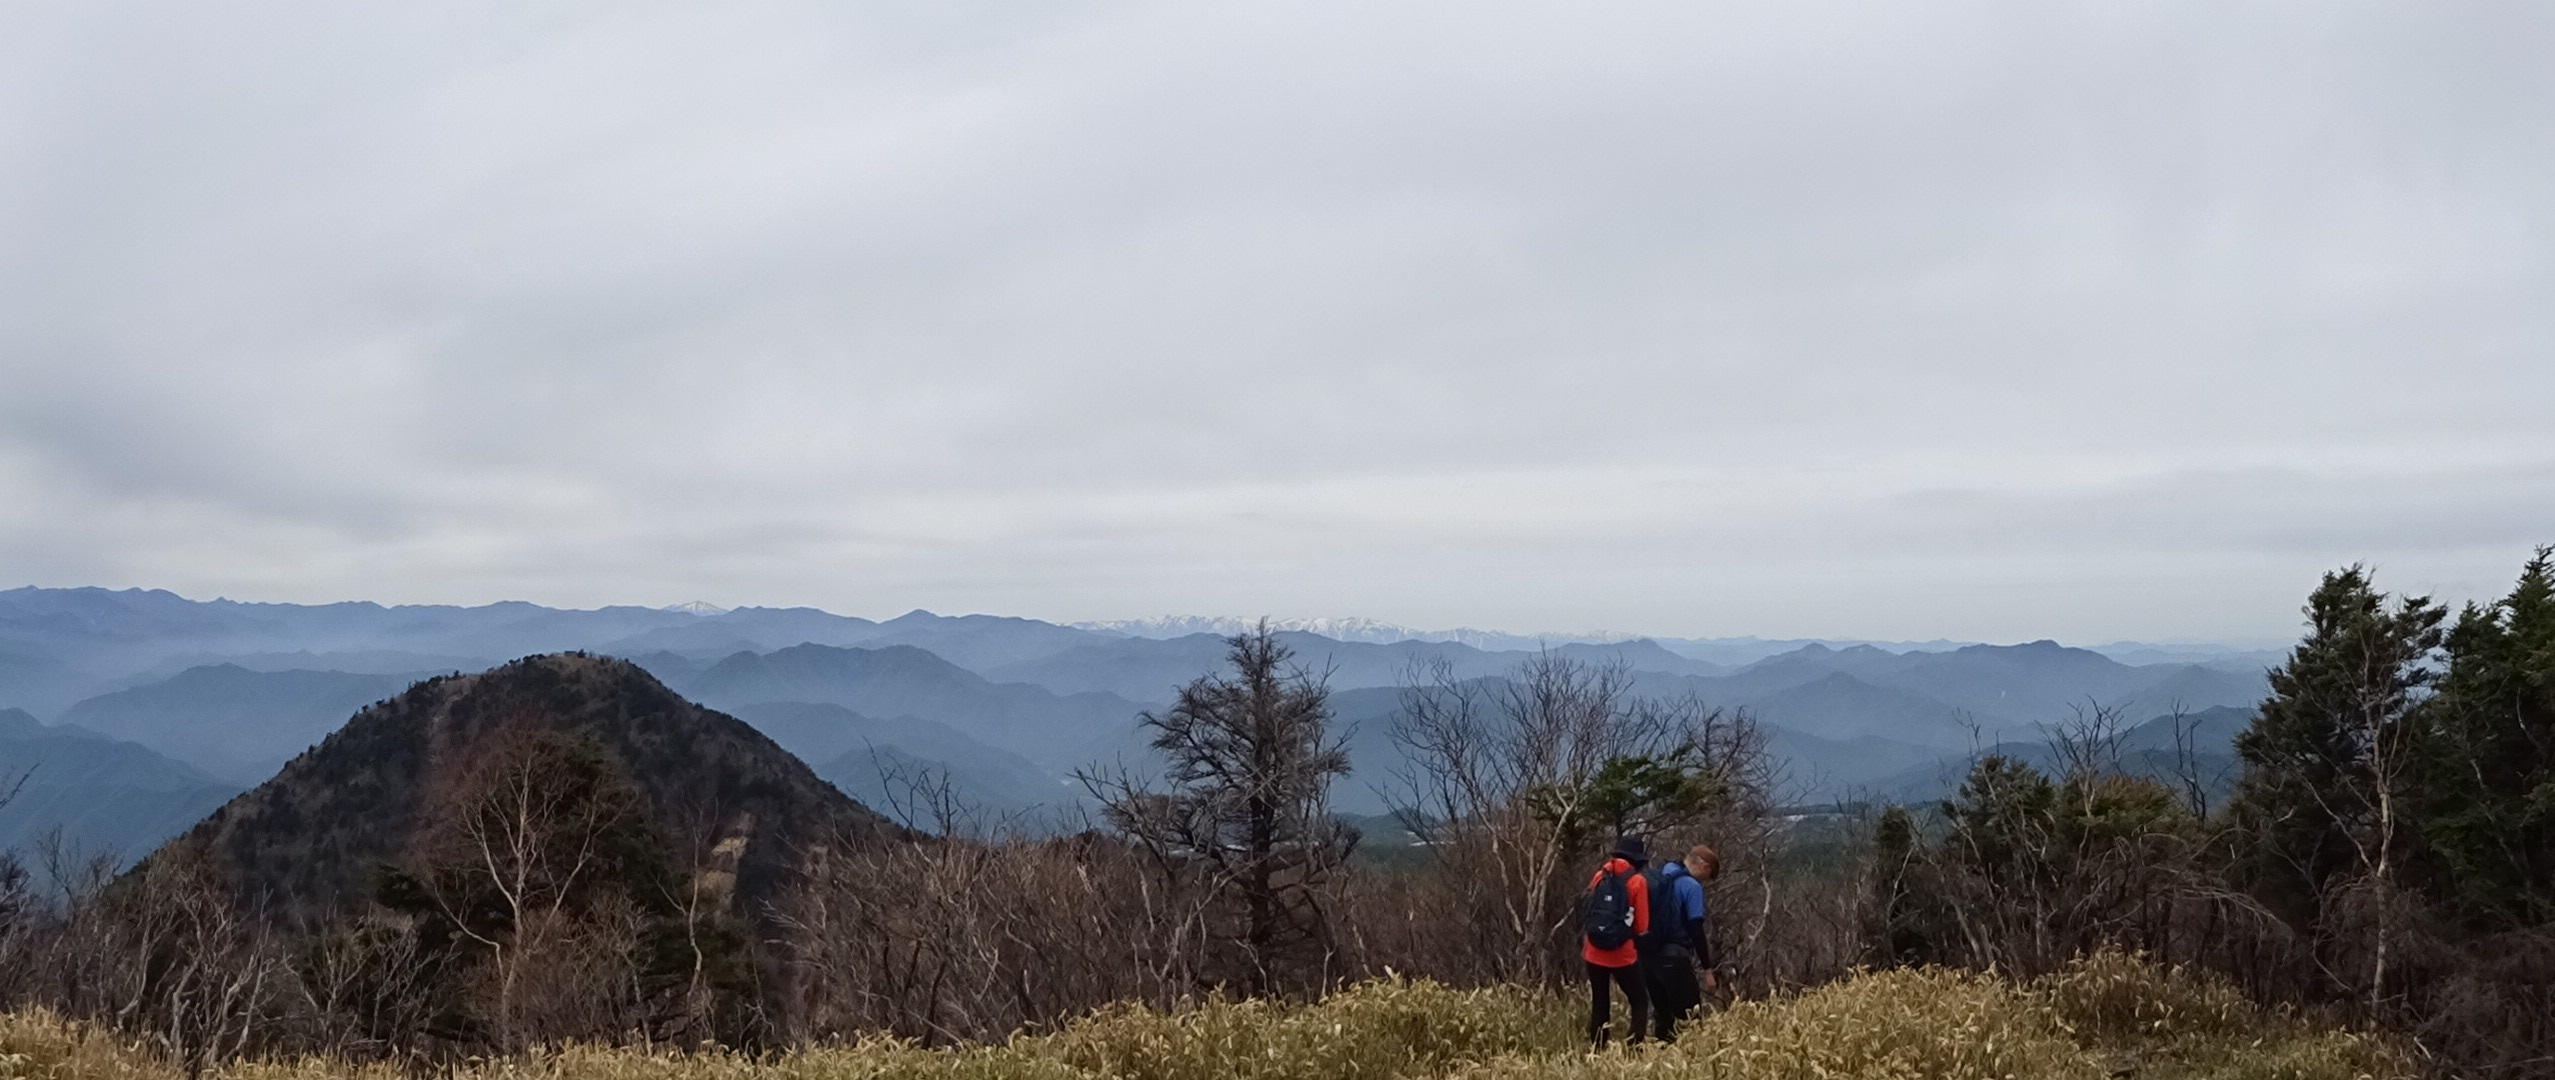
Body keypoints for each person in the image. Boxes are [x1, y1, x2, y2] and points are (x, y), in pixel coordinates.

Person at [1640, 843, 1719, 1042]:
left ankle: (1660, 1059)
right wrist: (1707, 969)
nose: (1705, 881)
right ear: (1704, 867)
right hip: (1674, 955)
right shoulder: (1691, 886)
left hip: (1647, 954)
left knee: (1662, 1014)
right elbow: (1696, 929)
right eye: (1708, 876)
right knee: (1689, 1015)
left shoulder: (1663, 872)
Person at [1580, 835, 1652, 1047]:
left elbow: (1588, 910)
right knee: (1639, 1000)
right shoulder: (1637, 881)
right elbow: (1642, 925)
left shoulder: (1599, 876)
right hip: (1622, 954)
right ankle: (1634, 1048)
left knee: (1600, 1002)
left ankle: (1597, 1050)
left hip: (1593, 951)